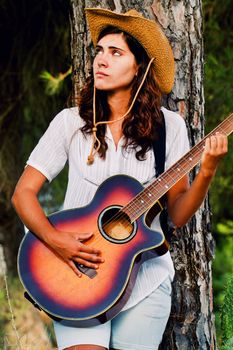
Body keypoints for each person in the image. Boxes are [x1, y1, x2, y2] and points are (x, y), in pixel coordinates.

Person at [12, 7, 228, 350]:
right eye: (99, 51)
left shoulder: (168, 127)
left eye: (115, 53)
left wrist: (209, 170)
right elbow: (23, 193)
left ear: (139, 67)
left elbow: (178, 214)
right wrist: (56, 241)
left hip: (144, 281)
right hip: (77, 273)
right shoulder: (70, 123)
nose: (101, 60)